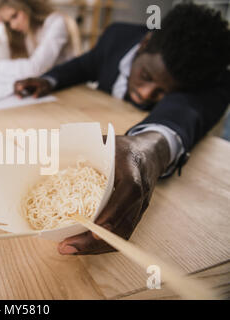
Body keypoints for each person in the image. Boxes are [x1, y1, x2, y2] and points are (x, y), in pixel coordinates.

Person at [14, 4, 230, 255]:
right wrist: (48, 79)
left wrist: (149, 147)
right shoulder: (117, 34)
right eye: (146, 75)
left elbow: (186, 112)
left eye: (164, 92)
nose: (146, 94)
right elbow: (84, 65)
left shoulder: (215, 81)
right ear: (143, 44)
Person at [0, 0, 78, 79]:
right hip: (48, 85)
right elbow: (5, 53)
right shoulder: (29, 30)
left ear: (26, 4)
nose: (13, 25)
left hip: (71, 89)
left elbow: (35, 68)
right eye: (8, 22)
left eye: (14, 16)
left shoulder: (56, 22)